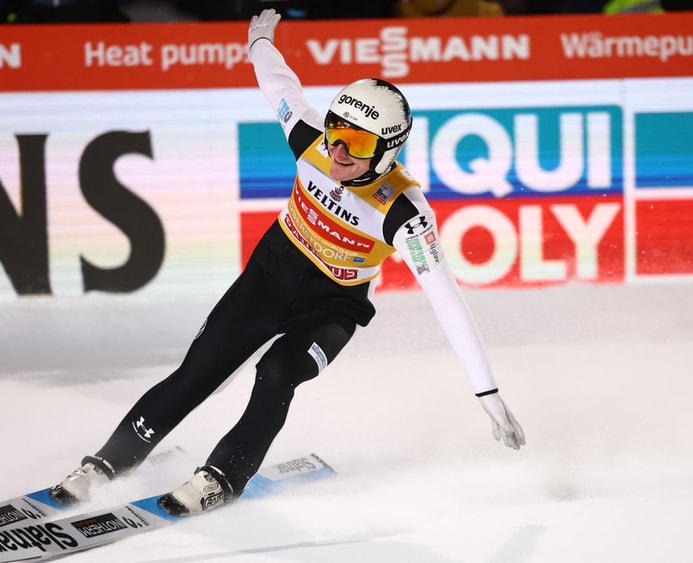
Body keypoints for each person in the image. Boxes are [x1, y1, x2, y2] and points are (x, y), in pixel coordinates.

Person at [51, 8, 525, 516]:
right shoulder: (310, 138)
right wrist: (260, 39)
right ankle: (103, 463)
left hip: (331, 308)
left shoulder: (405, 213)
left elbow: (448, 303)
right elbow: (278, 83)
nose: (339, 149)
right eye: (337, 130)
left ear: (388, 152)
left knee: (277, 374)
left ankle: (221, 476)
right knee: (198, 373)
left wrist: (488, 394)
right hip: (268, 280)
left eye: (358, 142)